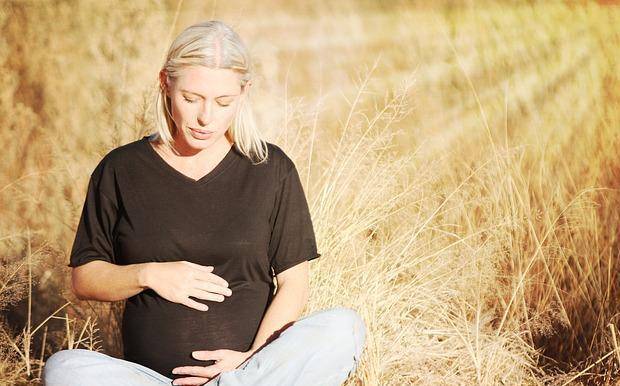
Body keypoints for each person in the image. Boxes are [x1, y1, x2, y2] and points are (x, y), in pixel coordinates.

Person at [42, 20, 366, 386]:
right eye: (191, 99)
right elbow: (85, 279)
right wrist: (150, 274)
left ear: (244, 92)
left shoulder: (271, 169)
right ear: (165, 82)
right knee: (64, 368)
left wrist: (250, 360)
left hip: (248, 373)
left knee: (345, 328)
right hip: (149, 379)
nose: (205, 117)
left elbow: (294, 282)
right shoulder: (121, 168)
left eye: (223, 102)